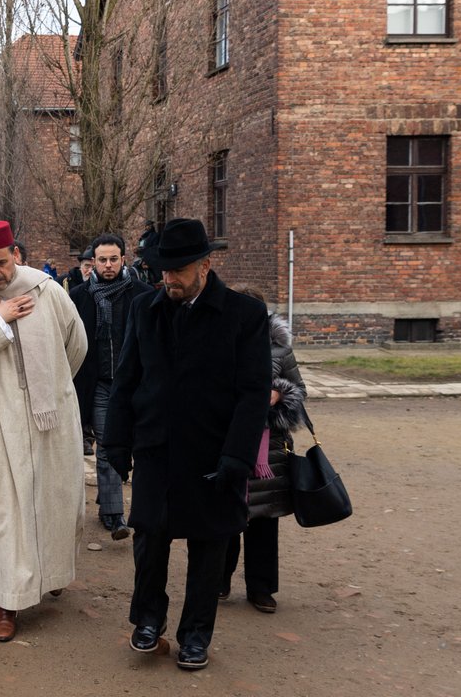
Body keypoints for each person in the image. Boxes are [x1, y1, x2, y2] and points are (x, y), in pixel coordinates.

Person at [104, 217, 271, 671]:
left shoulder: (245, 316)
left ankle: (196, 634)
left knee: (209, 545)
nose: (169, 279)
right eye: (164, 270)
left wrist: (237, 454)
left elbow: (254, 392)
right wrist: (116, 443)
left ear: (205, 266)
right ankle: (147, 620)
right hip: (157, 447)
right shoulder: (145, 308)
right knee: (150, 539)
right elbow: (127, 380)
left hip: (214, 454)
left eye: (178, 271)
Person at [0, 220, 88, 643]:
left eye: (1, 263)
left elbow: (75, 346)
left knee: (57, 503)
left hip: (51, 422)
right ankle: (8, 602)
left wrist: (55, 391)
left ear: (16, 256)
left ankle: (52, 574)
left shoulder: (48, 290)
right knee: (6, 516)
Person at [221, 285, 307, 614]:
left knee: (264, 521)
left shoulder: (280, 351)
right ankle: (219, 580)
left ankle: (261, 588)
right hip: (227, 441)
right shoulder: (218, 343)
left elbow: (300, 391)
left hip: (268, 449)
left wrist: (278, 394)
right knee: (226, 516)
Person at [70, 234, 151, 538]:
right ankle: (114, 515)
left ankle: (114, 500)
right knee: (107, 446)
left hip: (134, 383)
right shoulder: (80, 296)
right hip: (100, 384)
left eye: (113, 259)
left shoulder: (142, 295)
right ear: (93, 262)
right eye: (101, 260)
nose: (107, 265)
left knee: (137, 446)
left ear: (123, 260)